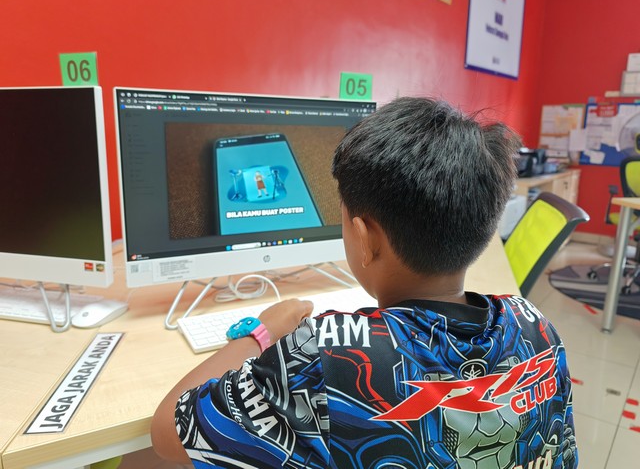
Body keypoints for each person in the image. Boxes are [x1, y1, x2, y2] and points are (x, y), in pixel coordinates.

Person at [151, 97, 578, 469]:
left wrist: (261, 332)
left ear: (364, 237)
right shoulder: (536, 327)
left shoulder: (324, 354)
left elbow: (168, 430)